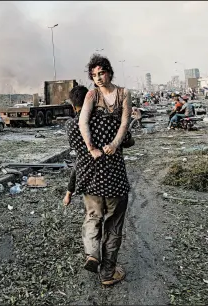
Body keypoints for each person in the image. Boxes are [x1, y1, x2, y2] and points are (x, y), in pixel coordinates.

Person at [76, 54, 131, 286]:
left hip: (107, 166)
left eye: (101, 73)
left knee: (95, 217)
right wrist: (92, 148)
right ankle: (105, 269)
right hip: (105, 167)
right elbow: (82, 122)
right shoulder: (91, 94)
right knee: (112, 223)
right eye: (94, 75)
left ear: (109, 72)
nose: (98, 78)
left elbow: (125, 123)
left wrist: (114, 144)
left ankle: (94, 256)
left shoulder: (123, 93)